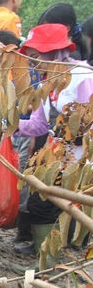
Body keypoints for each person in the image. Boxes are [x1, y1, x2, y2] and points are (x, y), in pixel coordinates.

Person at [15, 23, 92, 256]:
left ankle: (58, 258)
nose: (34, 62)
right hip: (56, 156)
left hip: (81, 160)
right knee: (41, 203)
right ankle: (44, 254)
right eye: (31, 57)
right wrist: (8, 126)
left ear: (54, 53)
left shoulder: (82, 77)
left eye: (37, 56)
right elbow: (39, 124)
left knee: (67, 208)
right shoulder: (47, 84)